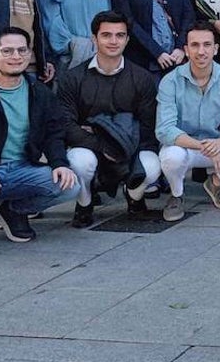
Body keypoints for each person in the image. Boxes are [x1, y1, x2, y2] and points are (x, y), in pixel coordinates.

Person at [0, 28, 79, 256]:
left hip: (21, 168)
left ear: (30, 54)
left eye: (22, 50)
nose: (16, 56)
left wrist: (59, 163)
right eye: (7, 51)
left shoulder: (39, 92)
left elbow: (53, 132)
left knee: (70, 186)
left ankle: (13, 210)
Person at [155, 21, 220, 221]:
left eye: (206, 45)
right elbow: (165, 130)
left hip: (217, 143)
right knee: (171, 157)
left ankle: (217, 182)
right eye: (195, 45)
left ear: (215, 49)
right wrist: (204, 147)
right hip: (184, 145)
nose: (201, 51)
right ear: (186, 50)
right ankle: (176, 194)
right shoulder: (170, 81)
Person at [61, 12, 160, 226]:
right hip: (88, 147)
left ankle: (135, 198)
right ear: (94, 39)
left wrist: (121, 147)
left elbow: (148, 125)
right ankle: (84, 203)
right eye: (106, 35)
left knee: (152, 167)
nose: (113, 41)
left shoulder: (142, 78)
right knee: (79, 162)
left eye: (120, 35)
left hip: (130, 146)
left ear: (127, 40)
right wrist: (103, 145)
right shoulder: (72, 77)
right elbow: (66, 124)